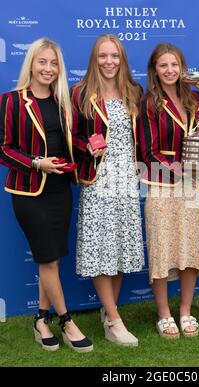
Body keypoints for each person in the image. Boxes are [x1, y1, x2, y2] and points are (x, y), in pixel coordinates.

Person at [0, 38, 93, 352]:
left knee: (48, 258)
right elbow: (3, 148)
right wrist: (36, 163)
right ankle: (67, 320)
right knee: (48, 258)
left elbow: (73, 141)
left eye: (54, 63)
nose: (48, 69)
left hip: (60, 190)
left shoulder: (64, 101)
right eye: (42, 62)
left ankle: (41, 318)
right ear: (31, 64)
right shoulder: (12, 101)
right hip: (29, 191)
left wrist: (88, 148)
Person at [71, 34, 144, 346]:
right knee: (101, 247)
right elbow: (70, 136)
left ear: (122, 59)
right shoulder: (81, 92)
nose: (109, 62)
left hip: (128, 179)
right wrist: (84, 146)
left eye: (114, 56)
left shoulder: (134, 92)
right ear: (94, 59)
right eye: (103, 56)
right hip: (99, 179)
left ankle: (107, 312)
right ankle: (114, 319)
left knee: (122, 246)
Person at [138, 43, 199, 339]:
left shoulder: (195, 98)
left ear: (182, 68)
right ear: (155, 69)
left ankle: (185, 310)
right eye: (163, 65)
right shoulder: (148, 102)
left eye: (174, 65)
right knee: (162, 248)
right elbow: (148, 151)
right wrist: (183, 168)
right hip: (161, 184)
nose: (169, 70)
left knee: (191, 246)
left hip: (194, 183)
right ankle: (164, 313)